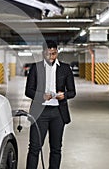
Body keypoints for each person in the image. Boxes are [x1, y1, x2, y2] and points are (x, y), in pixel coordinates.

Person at [25, 40, 76, 169]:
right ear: (43, 53)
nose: (51, 57)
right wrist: (41, 96)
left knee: (56, 148)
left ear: (57, 52)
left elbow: (72, 92)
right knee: (34, 148)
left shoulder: (65, 68)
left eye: (54, 54)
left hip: (58, 113)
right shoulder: (35, 68)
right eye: (48, 54)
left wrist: (64, 95)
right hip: (40, 112)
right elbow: (28, 91)